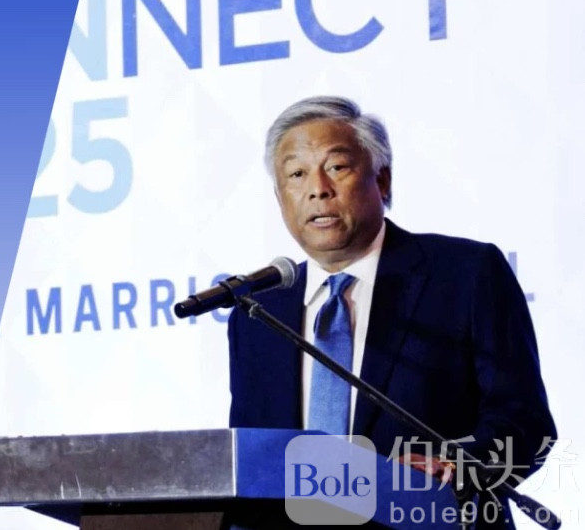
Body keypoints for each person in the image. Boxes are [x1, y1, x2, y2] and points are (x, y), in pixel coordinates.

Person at [227, 96, 556, 527]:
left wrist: (455, 466)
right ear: (280, 197)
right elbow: (249, 461)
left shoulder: (465, 275)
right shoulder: (257, 313)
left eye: (337, 167)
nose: (317, 188)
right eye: (296, 174)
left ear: (382, 180)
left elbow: (525, 424)